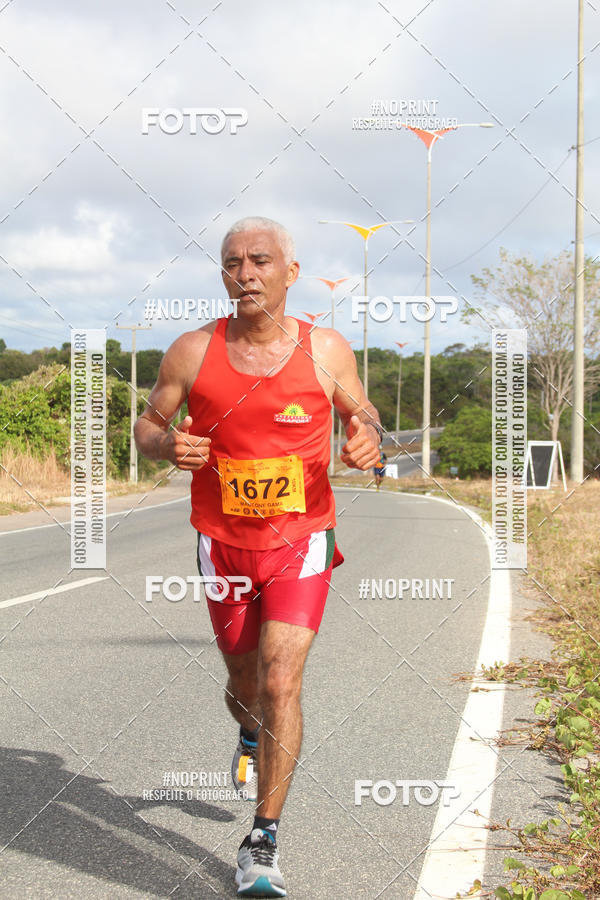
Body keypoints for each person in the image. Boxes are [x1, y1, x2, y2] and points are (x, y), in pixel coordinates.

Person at [134, 216, 382, 897]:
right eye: (232, 262)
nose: (245, 272)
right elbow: (149, 424)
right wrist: (165, 445)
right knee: (245, 689)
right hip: (224, 546)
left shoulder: (325, 349)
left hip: (302, 541)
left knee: (281, 683)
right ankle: (250, 734)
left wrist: (367, 437)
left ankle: (263, 839)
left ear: (290, 274)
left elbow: (364, 414)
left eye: (260, 260)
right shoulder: (192, 350)